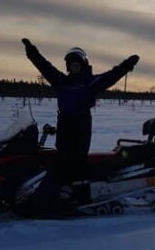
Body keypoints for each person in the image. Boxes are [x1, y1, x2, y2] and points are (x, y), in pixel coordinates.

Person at [21, 38, 139, 188]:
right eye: (72, 65)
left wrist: (127, 65)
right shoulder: (61, 80)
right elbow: (44, 66)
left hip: (81, 124)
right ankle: (61, 190)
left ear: (83, 65)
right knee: (61, 157)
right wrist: (32, 51)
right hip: (64, 123)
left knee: (77, 159)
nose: (74, 67)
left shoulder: (91, 82)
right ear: (68, 67)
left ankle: (77, 192)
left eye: (77, 64)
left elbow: (112, 76)